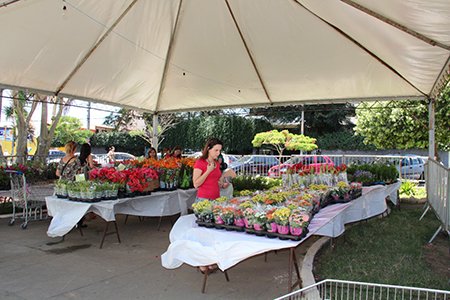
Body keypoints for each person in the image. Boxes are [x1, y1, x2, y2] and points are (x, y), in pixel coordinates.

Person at [192, 138, 224, 274]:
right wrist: (208, 171)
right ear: (208, 149)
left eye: (220, 150)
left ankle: (210, 261)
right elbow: (196, 183)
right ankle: (201, 262)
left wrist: (222, 183)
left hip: (215, 200)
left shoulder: (216, 163)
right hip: (203, 201)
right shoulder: (200, 162)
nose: (218, 153)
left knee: (213, 233)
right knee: (203, 234)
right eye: (216, 150)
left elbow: (216, 180)